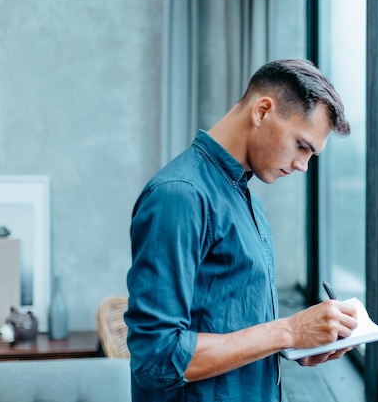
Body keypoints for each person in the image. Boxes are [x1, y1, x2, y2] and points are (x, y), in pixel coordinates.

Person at [124, 59, 358, 402]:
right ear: (263, 111)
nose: (303, 165)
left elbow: (233, 330)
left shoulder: (244, 198)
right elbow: (156, 358)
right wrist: (289, 331)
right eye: (302, 146)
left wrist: (299, 343)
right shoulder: (179, 195)